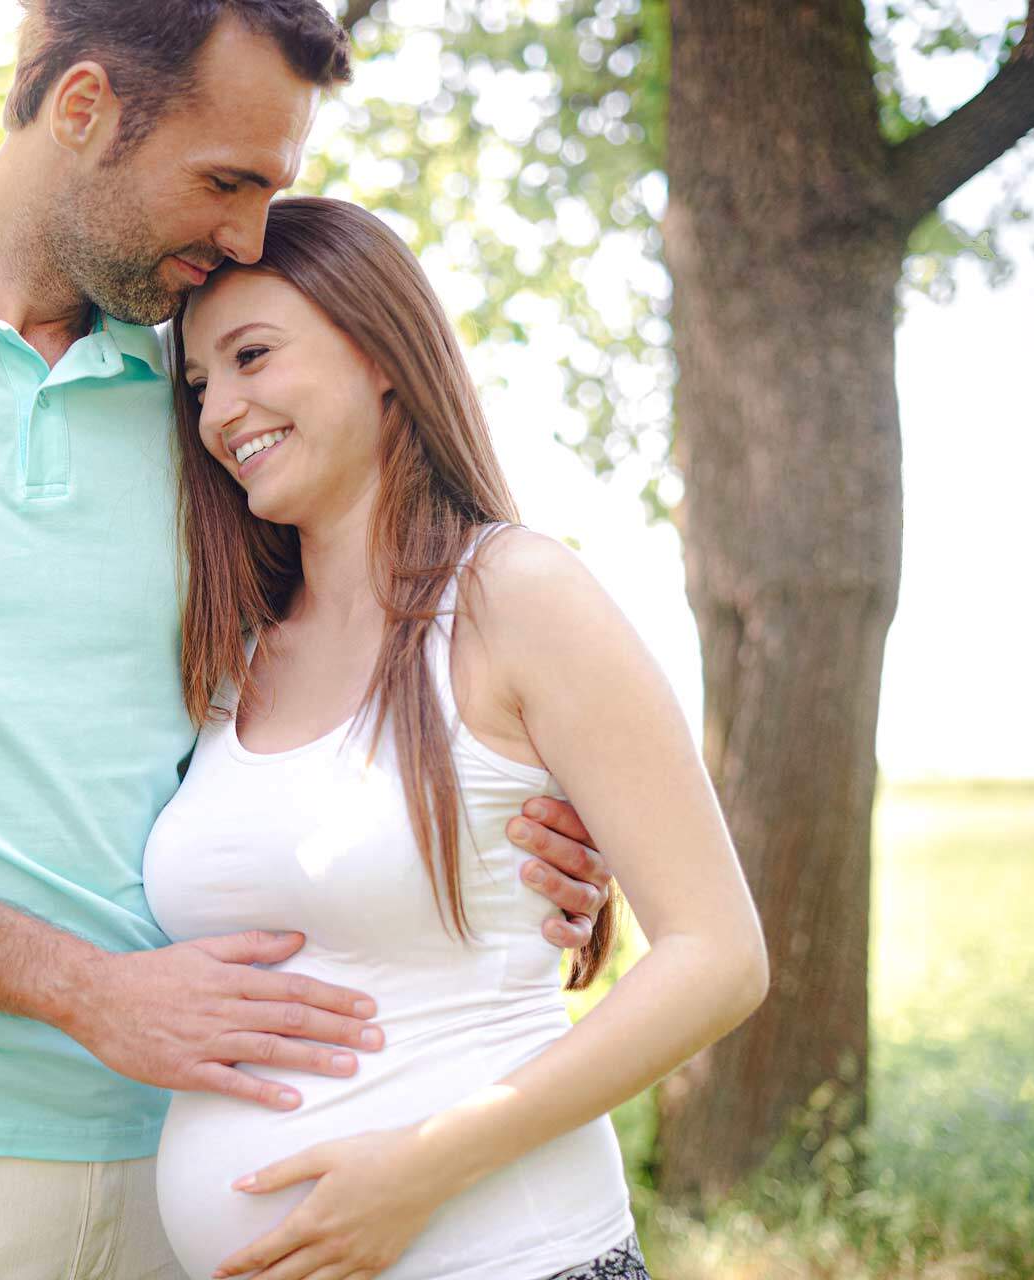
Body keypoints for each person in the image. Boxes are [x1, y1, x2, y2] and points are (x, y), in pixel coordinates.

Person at [0, 4, 621, 1276]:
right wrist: (91, 993)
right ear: (83, 109)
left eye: (273, 191)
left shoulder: (215, 392)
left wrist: (531, 823)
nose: (248, 235)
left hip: (204, 1159)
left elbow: (372, 660)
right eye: (225, 180)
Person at [143, 196, 770, 1280]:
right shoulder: (236, 658)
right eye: (199, 385)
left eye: (252, 356)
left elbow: (719, 957)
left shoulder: (512, 592)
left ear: (381, 351)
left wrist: (423, 1167)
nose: (219, 413)